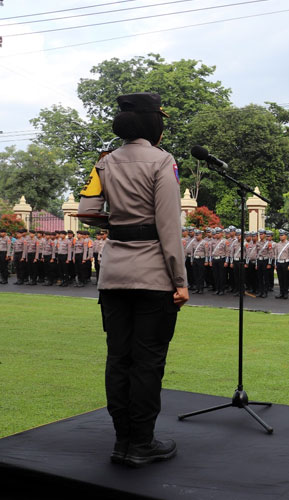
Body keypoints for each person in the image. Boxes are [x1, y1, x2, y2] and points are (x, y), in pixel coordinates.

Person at [78, 92, 188, 467]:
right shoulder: (163, 161)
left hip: (113, 275)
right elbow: (169, 227)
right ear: (154, 123)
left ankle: (122, 441)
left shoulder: (104, 162)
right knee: (147, 362)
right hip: (154, 276)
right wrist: (180, 280)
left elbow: (87, 210)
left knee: (118, 359)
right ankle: (141, 442)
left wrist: (120, 223)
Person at [275, 229, 289, 299]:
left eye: (282, 235)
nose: (280, 236)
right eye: (280, 235)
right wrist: (275, 264)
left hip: (285, 263)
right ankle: (281, 292)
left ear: (285, 236)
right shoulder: (277, 244)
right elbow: (276, 255)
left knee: (285, 279)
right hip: (279, 263)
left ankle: (285, 293)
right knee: (280, 278)